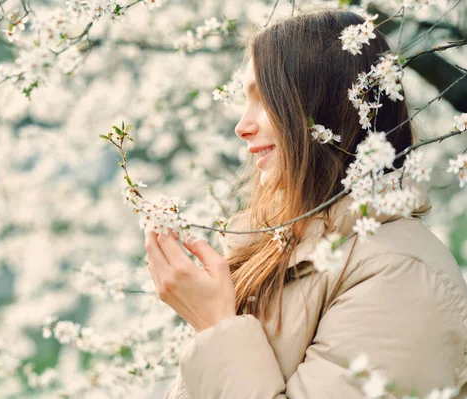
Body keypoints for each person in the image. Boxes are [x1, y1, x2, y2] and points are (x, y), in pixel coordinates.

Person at [144, 8, 467, 399]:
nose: (241, 127)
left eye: (264, 100)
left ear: (326, 106)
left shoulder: (400, 274)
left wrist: (215, 326)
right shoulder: (285, 254)